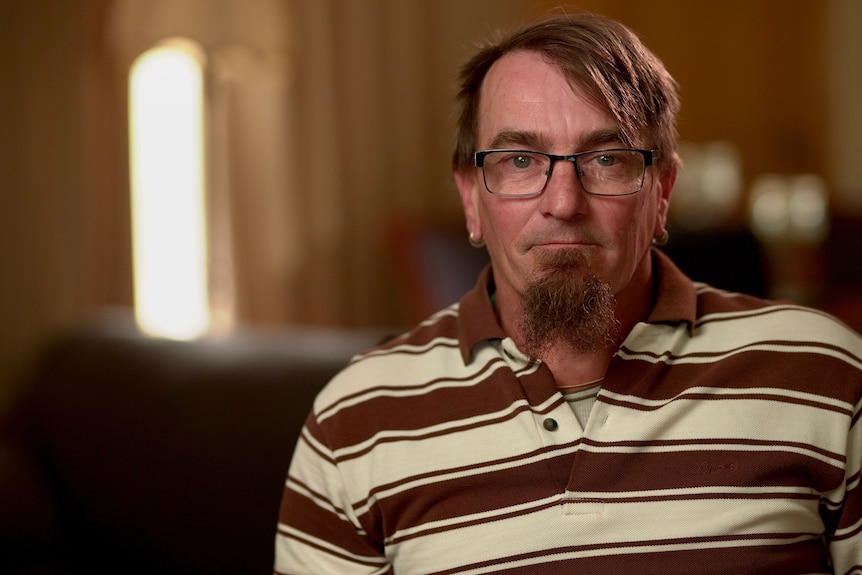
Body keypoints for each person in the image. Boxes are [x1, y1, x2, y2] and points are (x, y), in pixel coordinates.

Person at [274, 12, 862, 575]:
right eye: (521, 160)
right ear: (471, 200)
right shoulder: (353, 422)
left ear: (662, 193)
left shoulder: (824, 373)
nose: (563, 202)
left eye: (606, 159)